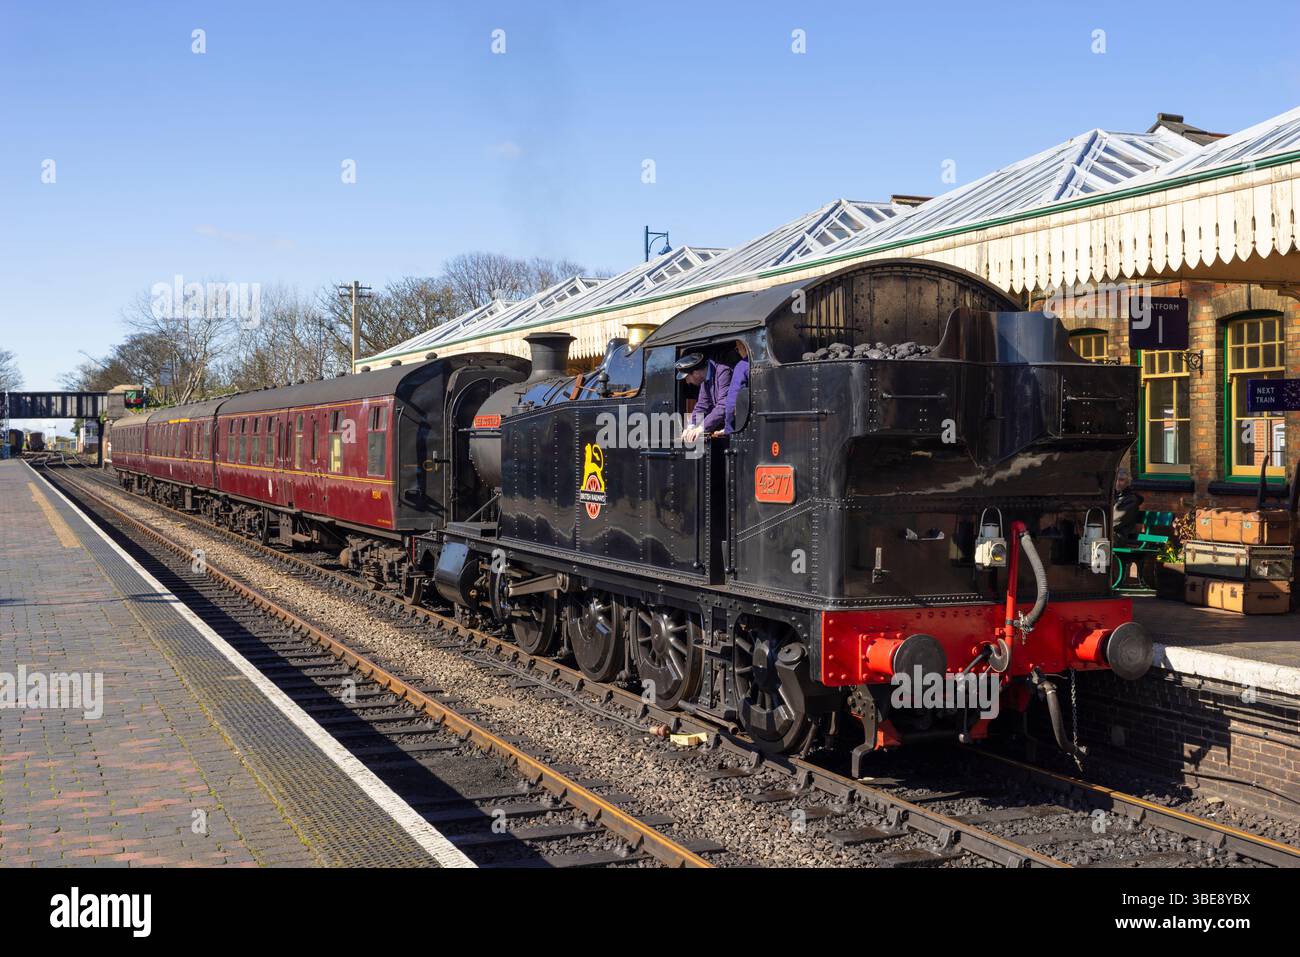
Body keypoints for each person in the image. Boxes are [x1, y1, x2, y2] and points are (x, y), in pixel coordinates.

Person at [676, 352, 732, 444]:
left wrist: (701, 428)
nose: (687, 382)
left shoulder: (723, 372)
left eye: (687, 377)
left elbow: (723, 405)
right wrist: (690, 426)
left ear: (696, 373)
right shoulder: (705, 379)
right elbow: (702, 405)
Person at [722, 339, 750, 436]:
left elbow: (731, 403)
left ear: (744, 347)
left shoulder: (742, 366)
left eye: (737, 349)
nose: (738, 352)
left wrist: (728, 429)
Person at [1112, 468, 1144, 544]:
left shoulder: (1131, 500)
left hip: (1118, 536)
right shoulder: (1113, 496)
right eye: (1115, 480)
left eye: (1121, 480)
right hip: (1109, 532)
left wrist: (1100, 525)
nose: (1117, 483)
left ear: (1127, 482)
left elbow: (1117, 521)